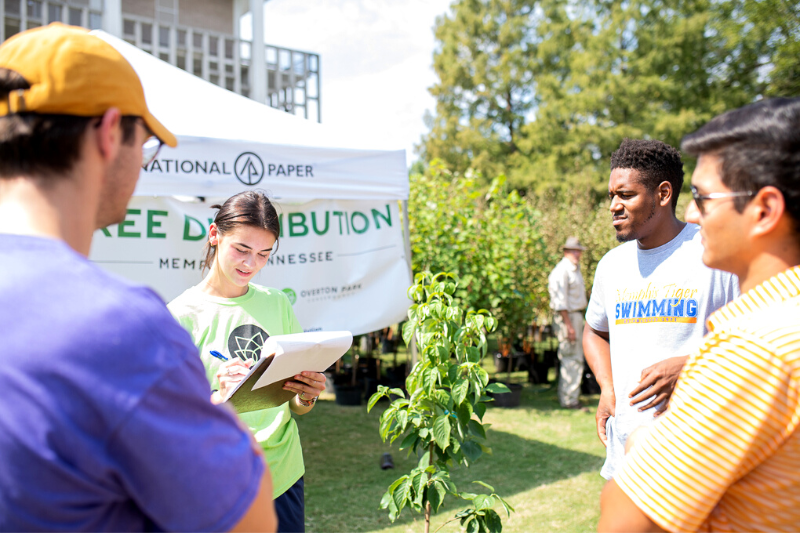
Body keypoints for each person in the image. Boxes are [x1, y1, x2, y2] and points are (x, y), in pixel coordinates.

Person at [0, 24, 276, 531]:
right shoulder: (116, 326)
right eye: (146, 143)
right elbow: (251, 520)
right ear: (109, 133)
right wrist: (227, 425)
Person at [599, 97, 800, 532]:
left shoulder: (752, 351)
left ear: (764, 210)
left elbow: (626, 521)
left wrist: (643, 443)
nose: (692, 214)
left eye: (705, 199)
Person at [168, 191, 327, 533]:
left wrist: (307, 394)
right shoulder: (179, 316)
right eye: (241, 249)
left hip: (282, 475)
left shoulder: (278, 304)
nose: (250, 264)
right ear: (214, 235)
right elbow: (171, 422)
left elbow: (295, 406)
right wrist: (220, 397)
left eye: (263, 254)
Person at [583, 138, 738, 480]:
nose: (613, 206)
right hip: (625, 454)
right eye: (611, 196)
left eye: (625, 195)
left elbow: (761, 336)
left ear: (663, 194)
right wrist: (607, 388)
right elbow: (594, 331)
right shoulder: (611, 265)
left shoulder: (715, 252)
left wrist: (691, 365)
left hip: (700, 456)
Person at [548, 236, 589, 409]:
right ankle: (569, 399)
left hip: (575, 316)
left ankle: (570, 396)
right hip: (568, 317)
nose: (577, 254)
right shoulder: (561, 271)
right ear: (566, 251)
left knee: (574, 357)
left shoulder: (573, 269)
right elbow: (560, 302)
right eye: (574, 250)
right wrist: (569, 326)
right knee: (571, 357)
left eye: (578, 251)